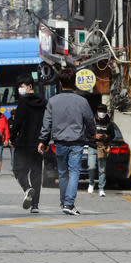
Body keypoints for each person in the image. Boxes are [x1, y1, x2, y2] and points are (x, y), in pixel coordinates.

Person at [38, 68, 95, 216]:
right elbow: (89, 120)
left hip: (59, 142)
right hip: (76, 141)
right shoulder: (82, 101)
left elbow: (47, 123)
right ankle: (69, 204)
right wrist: (93, 135)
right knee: (74, 172)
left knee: (63, 173)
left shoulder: (52, 101)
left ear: (60, 82)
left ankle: (64, 202)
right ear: (75, 82)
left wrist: (43, 140)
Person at [10, 74, 47, 213]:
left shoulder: (23, 102)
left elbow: (17, 122)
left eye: (22, 86)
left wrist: (12, 138)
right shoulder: (43, 102)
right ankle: (35, 206)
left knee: (18, 170)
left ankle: (27, 189)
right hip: (38, 143)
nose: (20, 89)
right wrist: (45, 140)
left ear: (30, 86)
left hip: (24, 143)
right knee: (36, 174)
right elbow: (47, 123)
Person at [87, 104, 115, 197]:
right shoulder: (92, 121)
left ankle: (101, 188)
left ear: (106, 112)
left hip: (103, 147)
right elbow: (86, 134)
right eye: (100, 111)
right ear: (97, 111)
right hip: (92, 146)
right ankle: (91, 183)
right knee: (91, 167)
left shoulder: (109, 123)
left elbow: (113, 135)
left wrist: (107, 136)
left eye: (103, 111)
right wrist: (94, 136)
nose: (101, 113)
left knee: (102, 169)